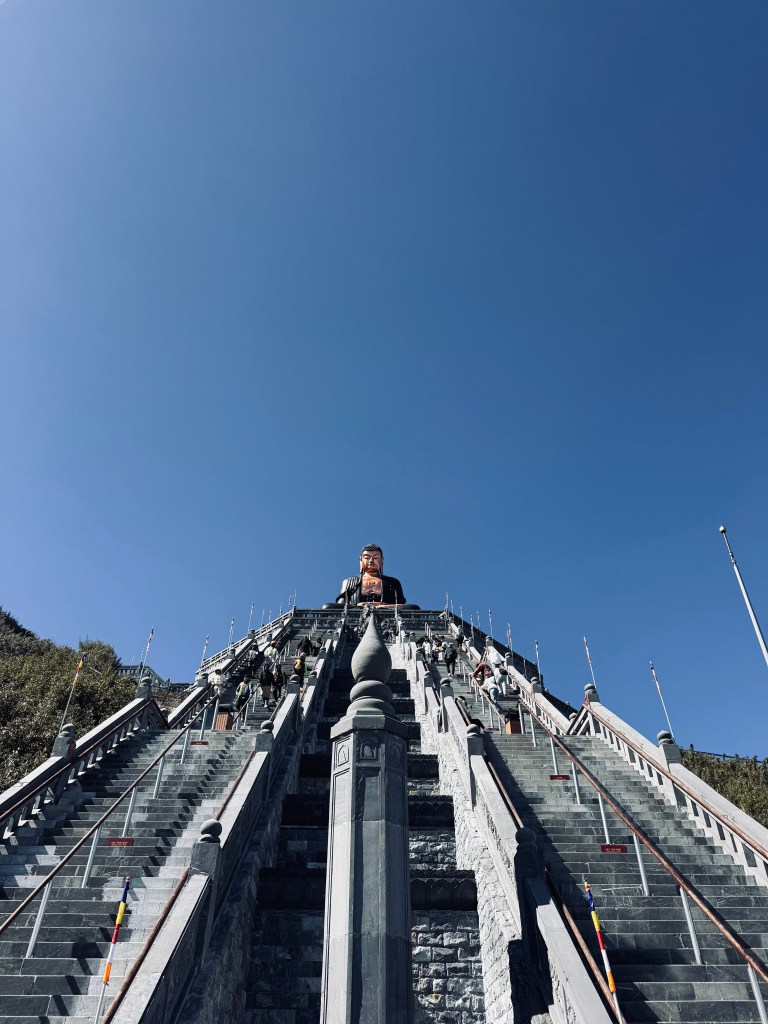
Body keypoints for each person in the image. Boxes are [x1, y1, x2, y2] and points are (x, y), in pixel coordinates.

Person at [336, 544, 406, 606]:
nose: (371, 560)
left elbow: (402, 606)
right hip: (355, 614)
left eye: (376, 558)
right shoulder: (349, 582)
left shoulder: (393, 582)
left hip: (386, 614)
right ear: (361, 560)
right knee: (327, 606)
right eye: (367, 557)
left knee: (413, 607)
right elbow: (339, 607)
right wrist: (358, 606)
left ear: (382, 560)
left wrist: (384, 606)